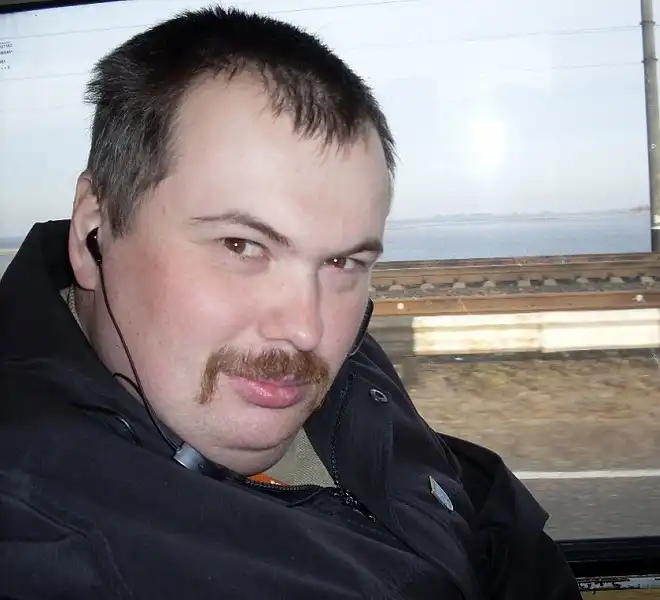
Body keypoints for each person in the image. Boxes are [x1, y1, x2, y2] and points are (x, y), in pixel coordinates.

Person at [0, 6, 580, 599]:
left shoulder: (324, 358)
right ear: (93, 232)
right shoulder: (42, 533)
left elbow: (460, 499)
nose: (307, 329)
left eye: (343, 262)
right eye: (241, 246)